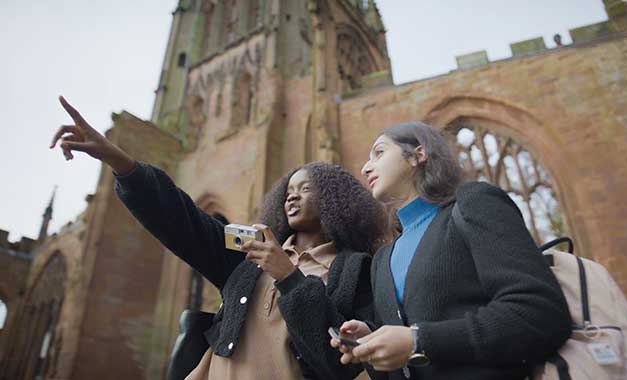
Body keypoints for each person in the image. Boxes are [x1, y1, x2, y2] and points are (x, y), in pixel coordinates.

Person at [51, 96, 386, 380]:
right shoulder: (247, 255)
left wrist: (288, 276)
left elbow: (338, 365)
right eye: (288, 191)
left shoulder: (357, 269)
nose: (291, 198)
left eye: (305, 188)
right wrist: (117, 159)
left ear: (334, 200)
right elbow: (181, 219)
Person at [331, 122, 572, 380]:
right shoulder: (382, 259)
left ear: (418, 155)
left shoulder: (473, 203)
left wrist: (419, 341)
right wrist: (372, 342)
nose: (365, 167)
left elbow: (540, 313)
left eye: (379, 153)